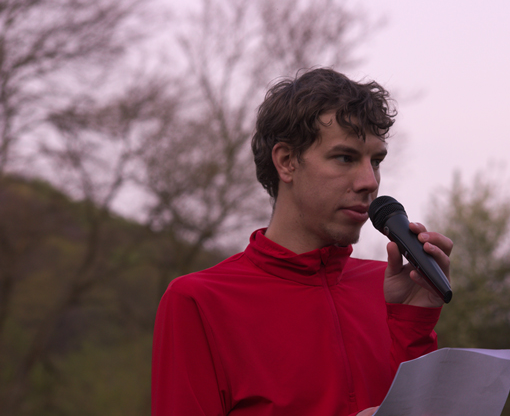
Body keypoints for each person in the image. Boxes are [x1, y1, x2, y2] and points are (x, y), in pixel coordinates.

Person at [151, 68, 453, 416]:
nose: (370, 181)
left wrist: (413, 322)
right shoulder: (199, 301)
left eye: (376, 161)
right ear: (286, 162)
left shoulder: (393, 289)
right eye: (345, 157)